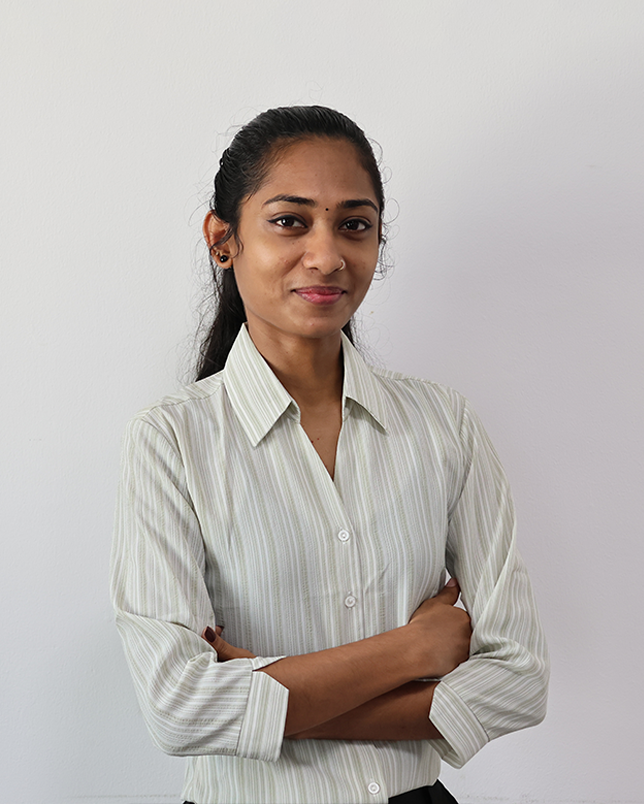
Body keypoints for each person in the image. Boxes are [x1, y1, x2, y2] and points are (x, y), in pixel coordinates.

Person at [111, 106, 549, 804]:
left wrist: (263, 685)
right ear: (223, 240)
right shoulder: (172, 440)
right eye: (290, 221)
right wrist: (411, 652)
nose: (327, 255)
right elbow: (180, 707)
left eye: (354, 224)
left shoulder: (445, 426)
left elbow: (519, 679)